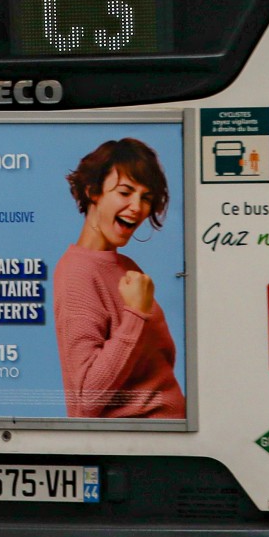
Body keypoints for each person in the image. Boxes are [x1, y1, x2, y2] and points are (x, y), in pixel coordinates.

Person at [53, 138, 185, 419]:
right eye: (125, 192)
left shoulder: (125, 266)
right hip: (137, 441)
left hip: (166, 436)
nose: (137, 207)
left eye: (146, 197)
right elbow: (86, 400)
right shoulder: (77, 273)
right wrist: (135, 314)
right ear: (93, 191)